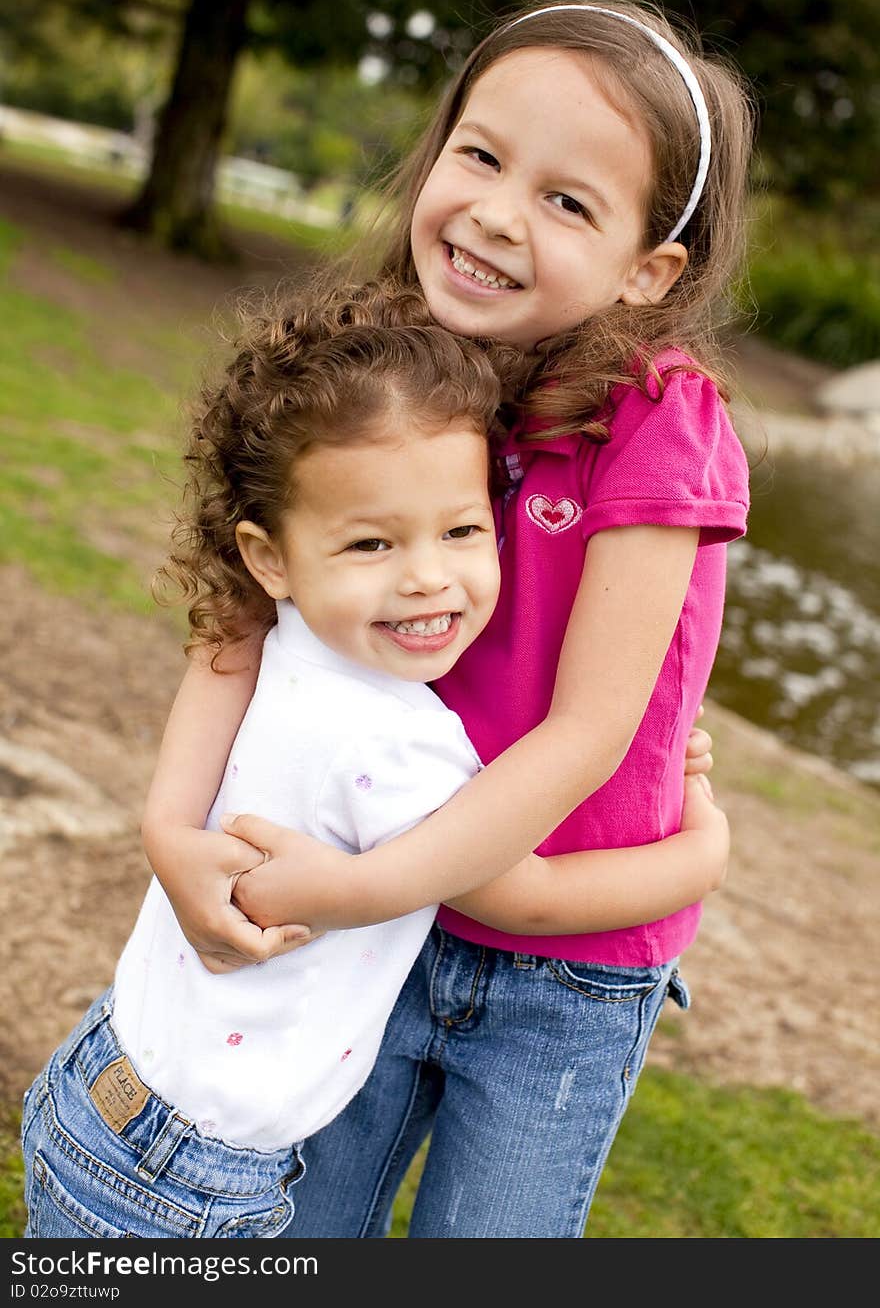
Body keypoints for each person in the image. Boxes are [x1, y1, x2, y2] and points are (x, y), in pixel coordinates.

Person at [141, 0, 754, 1238]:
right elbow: (241, 604)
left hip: (559, 964)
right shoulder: (398, 369)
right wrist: (168, 826)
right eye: (479, 155)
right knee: (304, 1230)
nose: (491, 212)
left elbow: (586, 732)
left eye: (566, 201)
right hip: (381, 908)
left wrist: (370, 887)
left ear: (649, 269)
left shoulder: (657, 420)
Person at [20, 279, 727, 1240]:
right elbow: (518, 895)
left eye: (465, 530)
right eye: (370, 543)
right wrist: (706, 848)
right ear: (273, 559)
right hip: (187, 1183)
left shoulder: (293, 644)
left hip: (104, 1088)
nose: (427, 576)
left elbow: (225, 637)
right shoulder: (400, 750)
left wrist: (166, 825)